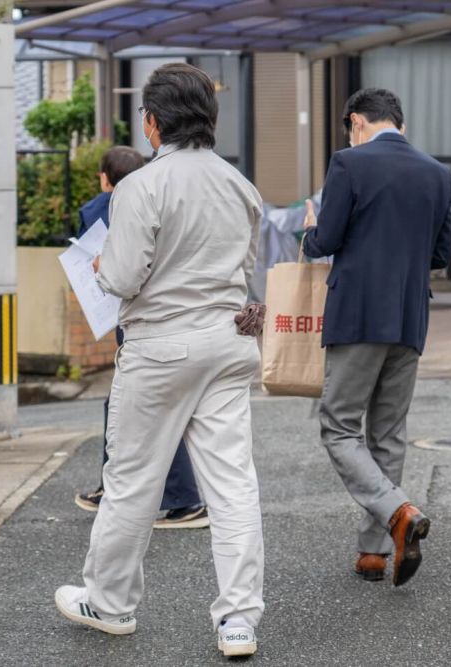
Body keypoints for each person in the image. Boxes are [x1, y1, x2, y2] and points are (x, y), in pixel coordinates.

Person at [54, 63, 266, 658]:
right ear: (209, 118)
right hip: (227, 344)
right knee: (232, 484)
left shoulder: (140, 187)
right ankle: (238, 621)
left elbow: (121, 277)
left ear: (152, 123)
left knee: (132, 480)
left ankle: (110, 602)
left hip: (160, 346)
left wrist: (101, 267)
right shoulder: (239, 185)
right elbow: (246, 269)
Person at [302, 88, 451, 587]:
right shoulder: (437, 173)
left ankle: (398, 511)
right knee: (387, 433)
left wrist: (309, 229)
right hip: (410, 318)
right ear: (400, 124)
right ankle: (372, 552)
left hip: (358, 315)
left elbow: (325, 240)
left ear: (357, 122)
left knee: (339, 426)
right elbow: (441, 256)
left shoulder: (349, 163)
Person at [73, 145, 208, 530]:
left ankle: (181, 499)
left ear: (105, 178)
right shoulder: (166, 195)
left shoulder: (106, 206)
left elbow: (109, 266)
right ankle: (125, 490)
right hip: (183, 314)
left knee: (149, 406)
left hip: (140, 321)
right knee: (143, 405)